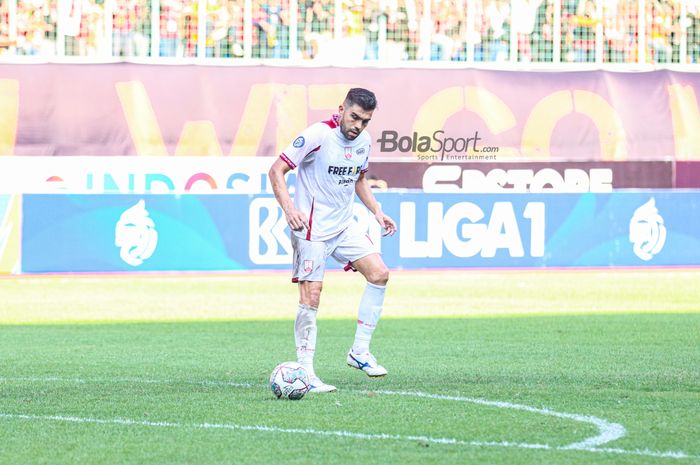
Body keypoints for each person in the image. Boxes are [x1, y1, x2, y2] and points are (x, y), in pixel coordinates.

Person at [268, 88, 397, 393]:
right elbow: (276, 170)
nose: (358, 126)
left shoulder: (363, 142)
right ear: (341, 109)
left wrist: (377, 211)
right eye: (354, 117)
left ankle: (359, 352)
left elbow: (359, 180)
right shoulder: (318, 136)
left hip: (343, 226)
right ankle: (306, 372)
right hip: (311, 229)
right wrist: (290, 210)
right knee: (311, 296)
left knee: (379, 274)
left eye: (365, 121)